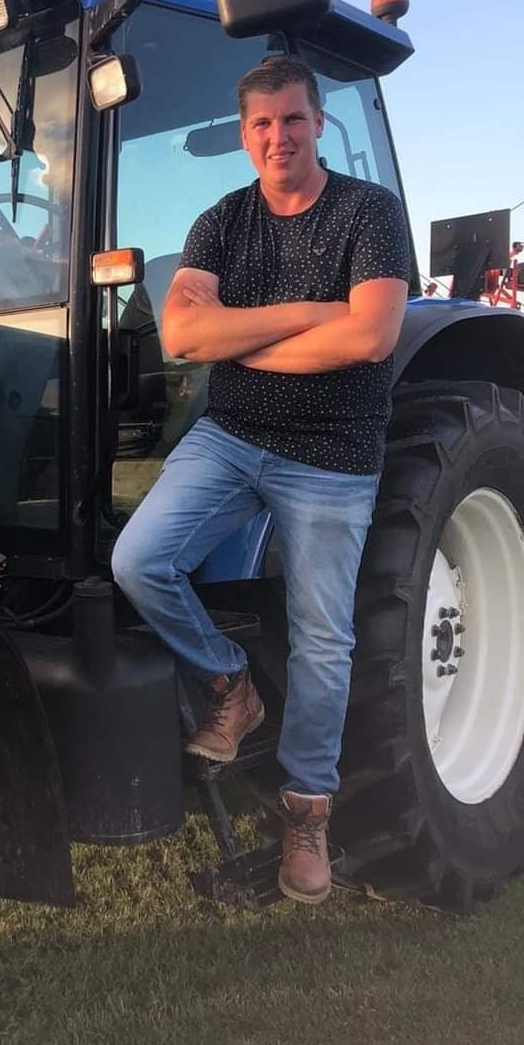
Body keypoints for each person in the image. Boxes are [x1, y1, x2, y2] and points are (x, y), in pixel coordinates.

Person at [111, 55, 410, 904]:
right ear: (246, 137)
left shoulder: (369, 213)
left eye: (293, 119)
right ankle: (229, 682)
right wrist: (313, 315)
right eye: (262, 124)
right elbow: (182, 336)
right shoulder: (222, 221)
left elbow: (371, 337)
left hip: (331, 455)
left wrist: (239, 341)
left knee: (323, 640)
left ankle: (306, 812)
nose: (279, 136)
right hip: (232, 437)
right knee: (139, 560)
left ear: (319, 123)